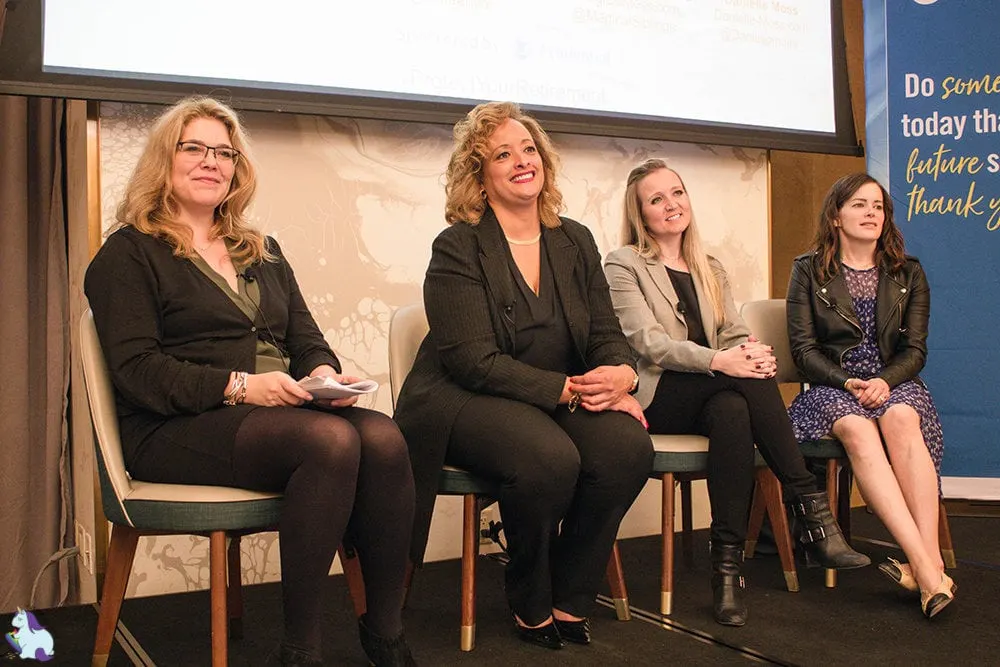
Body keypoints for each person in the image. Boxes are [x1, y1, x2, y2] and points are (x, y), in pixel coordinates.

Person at [83, 97, 417, 666]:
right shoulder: (128, 254)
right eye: (195, 148)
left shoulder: (261, 250)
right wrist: (241, 386)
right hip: (173, 426)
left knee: (384, 436)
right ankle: (300, 649)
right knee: (329, 441)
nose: (211, 161)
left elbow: (307, 338)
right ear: (165, 160)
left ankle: (384, 633)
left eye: (224, 152)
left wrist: (322, 375)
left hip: (274, 414)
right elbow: (138, 372)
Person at [393, 101, 653, 650]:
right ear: (478, 176)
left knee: (626, 448)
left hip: (556, 395)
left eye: (528, 149)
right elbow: (472, 361)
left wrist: (622, 376)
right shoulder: (458, 246)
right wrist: (568, 391)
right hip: (461, 397)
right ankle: (528, 592)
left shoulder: (574, 239)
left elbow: (606, 333)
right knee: (547, 458)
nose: (520, 162)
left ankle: (570, 593)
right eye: (501, 154)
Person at [604, 159, 870, 627]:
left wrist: (752, 351)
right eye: (656, 199)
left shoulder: (709, 266)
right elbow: (649, 343)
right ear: (640, 213)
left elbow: (731, 331)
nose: (671, 205)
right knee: (737, 381)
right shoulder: (623, 263)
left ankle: (727, 573)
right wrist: (725, 362)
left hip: (714, 394)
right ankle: (811, 509)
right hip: (658, 396)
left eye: (677, 193)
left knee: (732, 409)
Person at [786, 172, 954, 619]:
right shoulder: (807, 270)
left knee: (901, 419)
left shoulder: (908, 272)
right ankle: (929, 566)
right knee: (859, 429)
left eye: (878, 206)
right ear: (836, 216)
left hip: (894, 382)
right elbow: (803, 352)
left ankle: (924, 566)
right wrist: (848, 383)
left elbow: (915, 350)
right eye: (859, 205)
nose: (870, 214)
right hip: (831, 387)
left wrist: (885, 381)